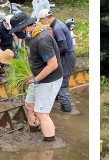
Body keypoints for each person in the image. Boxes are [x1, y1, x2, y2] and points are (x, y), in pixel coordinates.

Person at [11, 12, 64, 142]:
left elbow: (52, 65)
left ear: (25, 26)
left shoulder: (42, 39)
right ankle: (34, 131)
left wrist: (35, 79)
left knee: (41, 113)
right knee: (29, 105)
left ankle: (49, 144)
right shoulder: (30, 36)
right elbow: (32, 58)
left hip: (49, 80)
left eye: (17, 31)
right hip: (37, 77)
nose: (16, 34)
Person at [37, 9, 77, 112]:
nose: (41, 23)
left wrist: (51, 57)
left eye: (41, 21)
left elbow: (63, 47)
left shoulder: (58, 28)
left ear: (45, 19)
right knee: (56, 78)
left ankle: (66, 107)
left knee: (62, 81)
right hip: (67, 56)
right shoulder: (58, 24)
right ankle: (57, 98)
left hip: (66, 57)